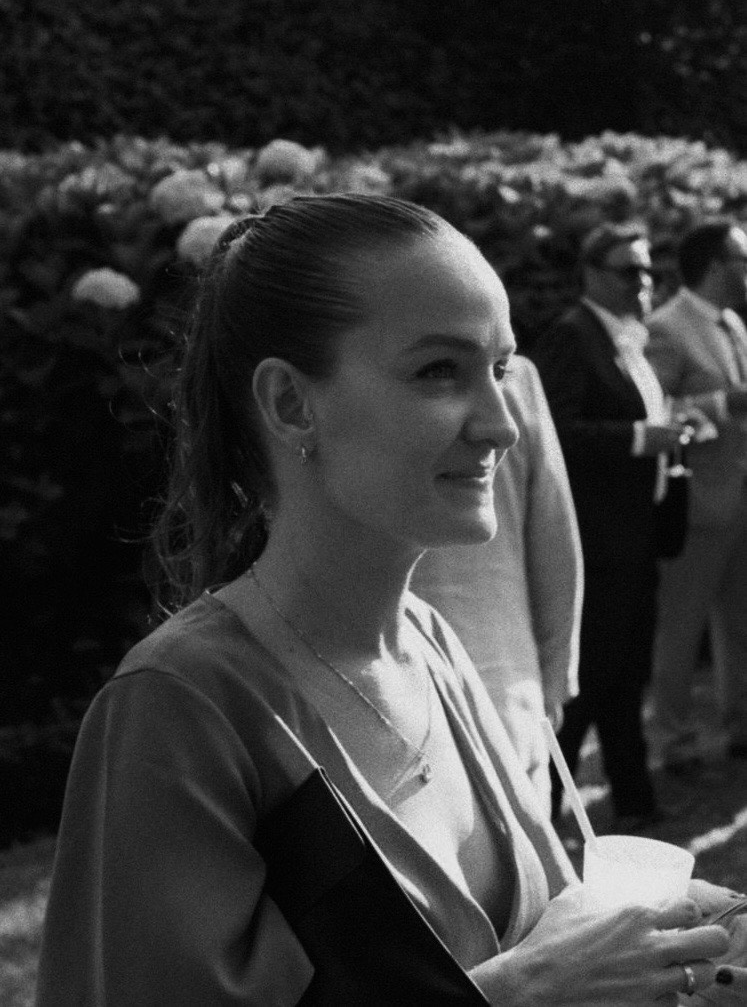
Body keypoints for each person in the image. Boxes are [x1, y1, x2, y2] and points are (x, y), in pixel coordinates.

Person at [37, 196, 741, 1005]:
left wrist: (666, 950)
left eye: (500, 369)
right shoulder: (180, 706)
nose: (502, 425)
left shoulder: (431, 646)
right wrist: (519, 993)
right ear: (290, 403)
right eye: (439, 370)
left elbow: (549, 937)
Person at [529, 222, 687, 832]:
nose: (643, 282)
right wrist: (642, 437)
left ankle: (635, 801)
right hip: (596, 540)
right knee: (589, 680)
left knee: (626, 677)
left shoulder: (628, 338)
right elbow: (554, 434)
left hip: (638, 533)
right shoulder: (572, 336)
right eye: (629, 270)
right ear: (592, 274)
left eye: (649, 270)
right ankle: (545, 816)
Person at [412, 354, 582, 815]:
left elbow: (554, 538)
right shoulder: (515, 380)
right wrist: (553, 675)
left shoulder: (518, 378)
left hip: (506, 692)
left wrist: (551, 679)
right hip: (504, 691)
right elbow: (556, 544)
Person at [645, 219, 747, 771]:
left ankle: (740, 727)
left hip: (742, 500)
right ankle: (673, 742)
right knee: (680, 629)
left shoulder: (734, 323)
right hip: (698, 507)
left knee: (741, 624)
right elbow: (652, 410)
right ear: (715, 267)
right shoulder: (665, 327)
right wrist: (724, 404)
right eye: (743, 261)